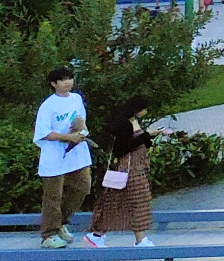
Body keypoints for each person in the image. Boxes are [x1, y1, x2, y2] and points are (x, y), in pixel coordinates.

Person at [80, 97, 162, 249]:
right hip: (129, 169)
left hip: (138, 167)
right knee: (135, 202)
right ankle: (139, 239)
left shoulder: (135, 122)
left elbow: (139, 142)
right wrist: (146, 136)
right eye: (143, 108)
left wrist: (149, 137)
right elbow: (123, 148)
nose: (145, 111)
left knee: (125, 202)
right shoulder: (125, 124)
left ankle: (99, 234)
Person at [35, 69, 90, 248]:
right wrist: (67, 137)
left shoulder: (76, 98)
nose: (68, 82)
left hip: (76, 153)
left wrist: (80, 128)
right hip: (54, 155)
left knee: (83, 186)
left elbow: (80, 118)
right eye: (62, 80)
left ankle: (61, 223)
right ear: (54, 84)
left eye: (70, 78)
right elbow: (44, 133)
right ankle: (48, 234)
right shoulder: (48, 106)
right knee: (53, 196)